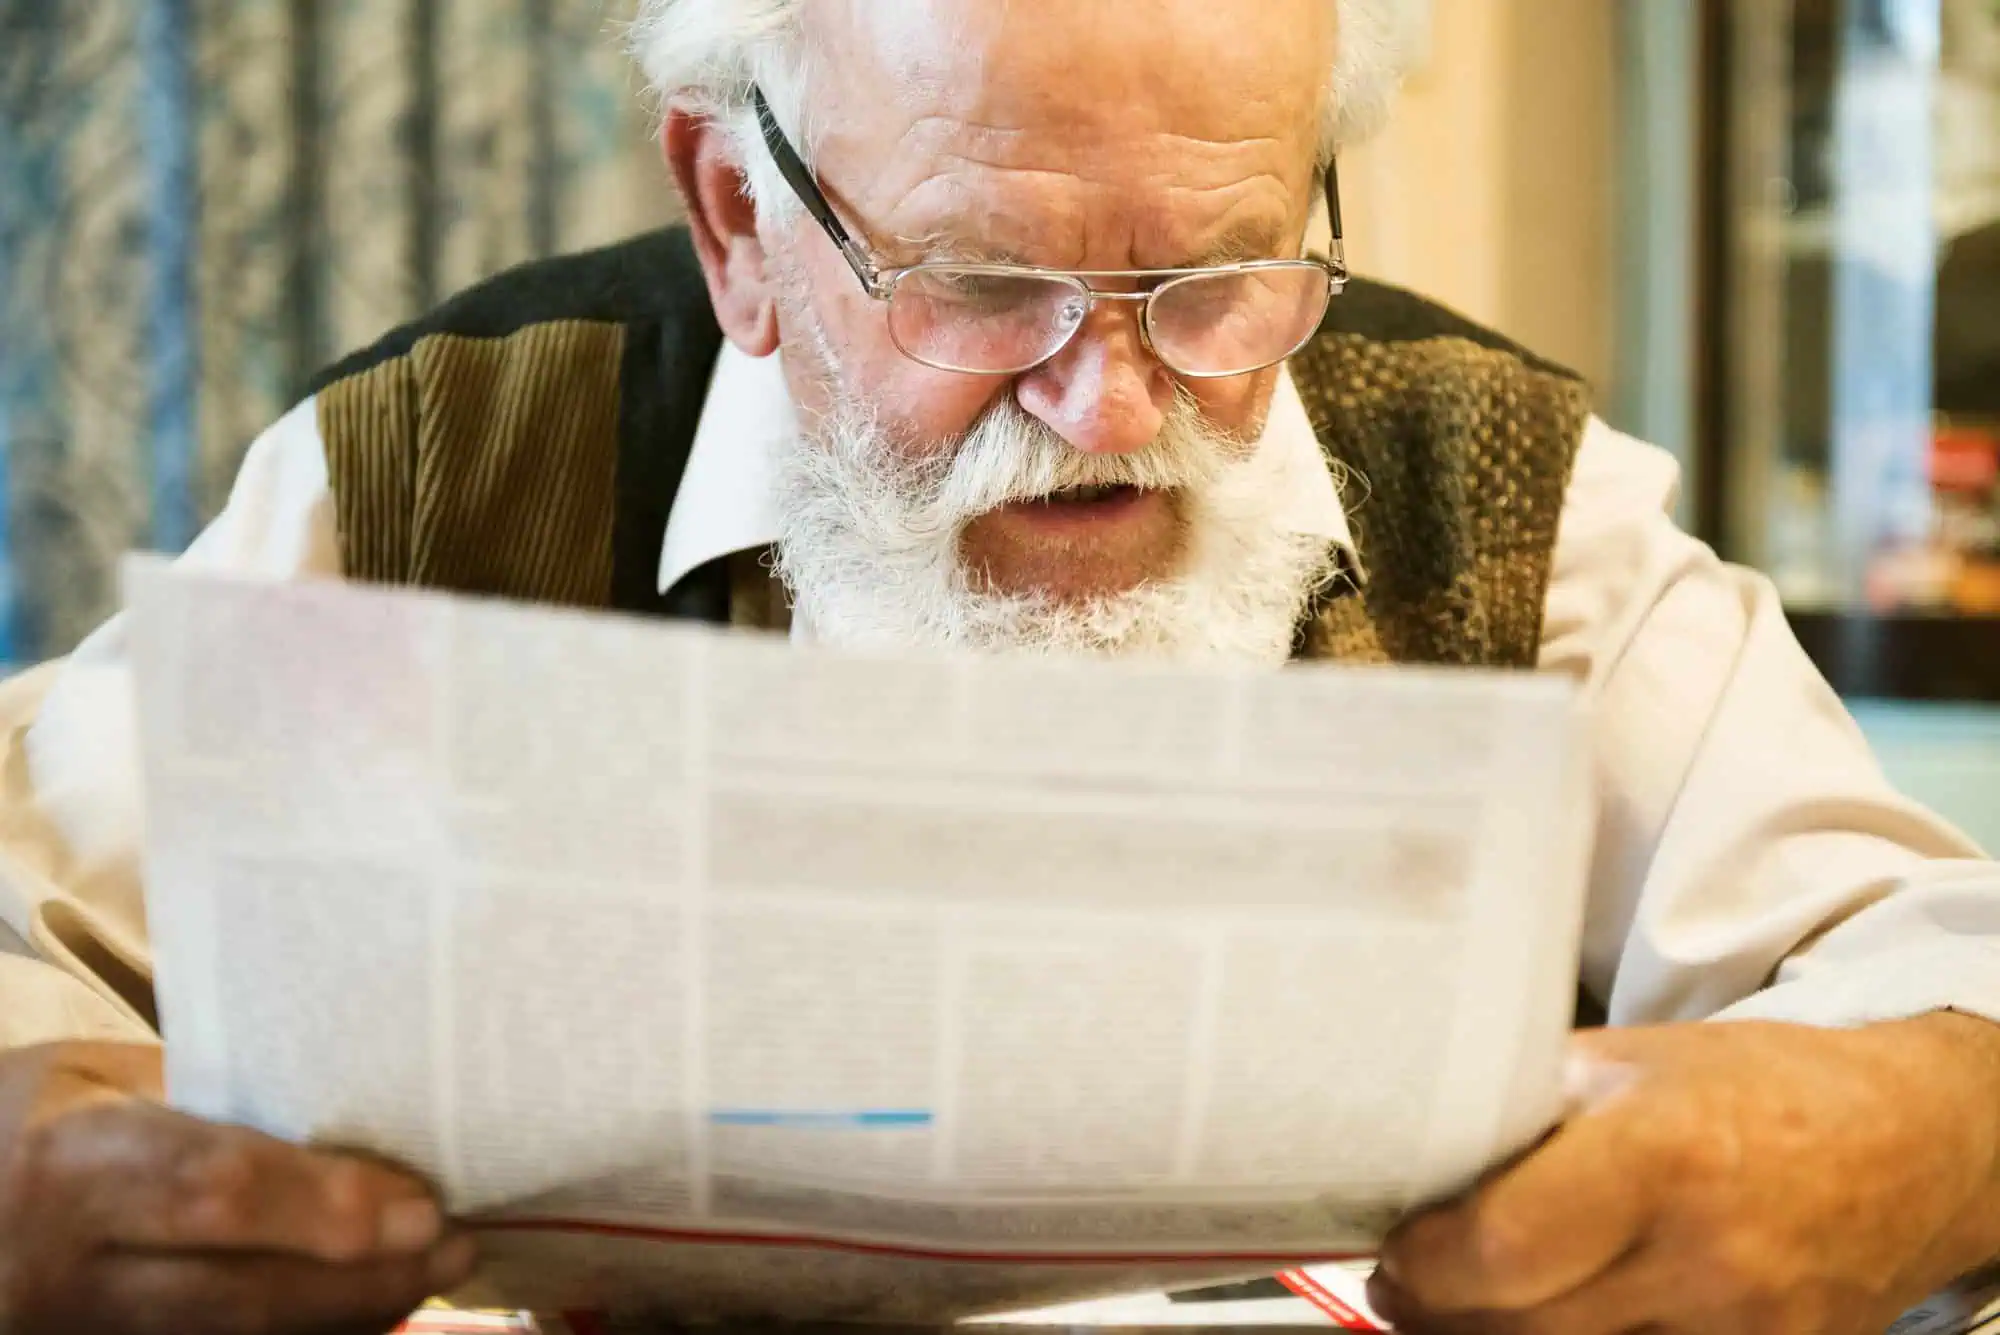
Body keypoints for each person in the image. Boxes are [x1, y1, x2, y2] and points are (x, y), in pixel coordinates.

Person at [1, 1, 1997, 1332]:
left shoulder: (1500, 488)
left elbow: (1932, 970)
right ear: (730, 214)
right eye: (978, 281)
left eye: (1217, 272)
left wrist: (1907, 1135)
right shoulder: (438, 463)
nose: (1107, 396)